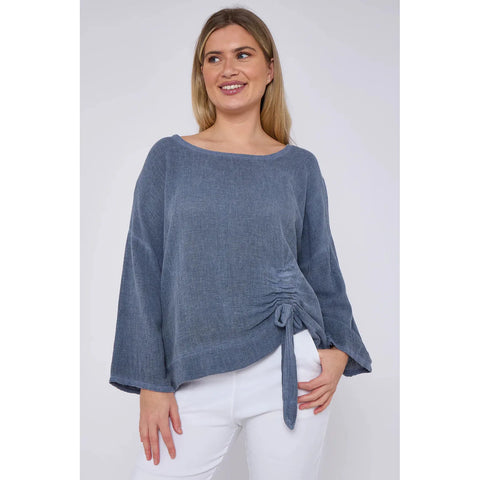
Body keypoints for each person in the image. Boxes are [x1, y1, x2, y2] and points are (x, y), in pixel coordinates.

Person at [109, 7, 372, 480]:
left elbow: (321, 265)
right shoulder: (169, 158)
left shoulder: (299, 166)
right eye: (213, 59)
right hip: (192, 371)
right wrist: (149, 381)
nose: (227, 69)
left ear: (269, 69)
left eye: (242, 55)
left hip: (287, 367)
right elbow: (142, 269)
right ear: (202, 74)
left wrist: (338, 350)